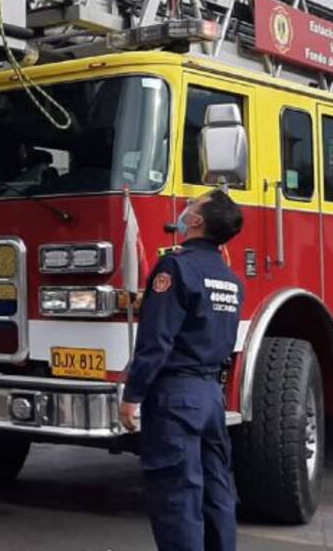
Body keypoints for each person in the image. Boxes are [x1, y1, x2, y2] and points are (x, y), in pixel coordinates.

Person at [119, 189, 245, 551]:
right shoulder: (230, 280)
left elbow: (156, 339)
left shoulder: (176, 267)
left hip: (176, 396)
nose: (185, 207)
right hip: (210, 397)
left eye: (193, 205)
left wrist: (133, 394)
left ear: (196, 222)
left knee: (177, 496)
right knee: (216, 490)